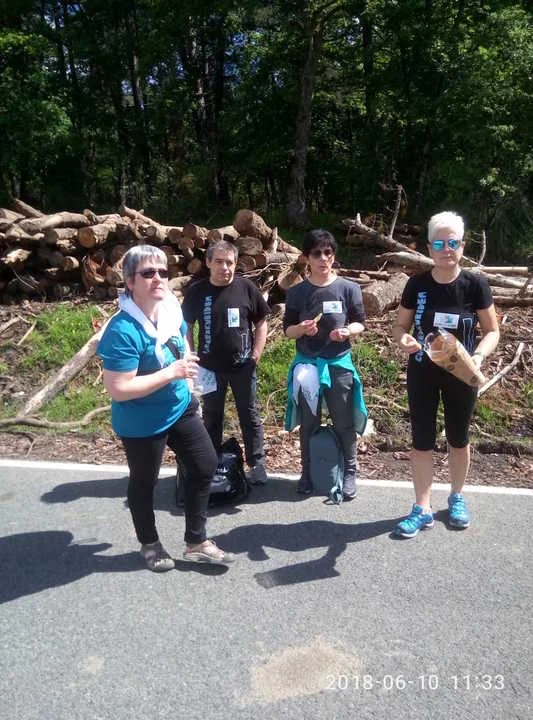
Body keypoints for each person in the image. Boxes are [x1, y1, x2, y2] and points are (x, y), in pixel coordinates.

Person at [97, 245, 234, 570]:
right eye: (148, 273)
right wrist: (171, 373)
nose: (158, 278)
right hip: (141, 420)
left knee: (205, 464)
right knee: (145, 482)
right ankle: (150, 543)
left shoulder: (170, 307)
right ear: (130, 281)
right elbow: (119, 389)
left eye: (163, 272)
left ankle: (196, 541)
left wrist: (187, 375)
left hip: (178, 405)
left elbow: (181, 341)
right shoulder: (122, 330)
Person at [392, 211, 500, 538]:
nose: (446, 249)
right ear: (429, 248)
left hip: (461, 374)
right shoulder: (417, 285)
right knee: (422, 441)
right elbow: (399, 327)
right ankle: (422, 507)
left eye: (452, 243)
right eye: (439, 244)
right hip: (422, 372)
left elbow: (492, 331)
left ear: (463, 246)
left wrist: (478, 356)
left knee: (458, 438)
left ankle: (456, 497)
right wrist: (404, 340)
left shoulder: (475, 285)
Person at [283, 229, 367, 498]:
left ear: (334, 255)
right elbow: (288, 330)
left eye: (328, 252)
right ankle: (306, 472)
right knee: (308, 423)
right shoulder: (297, 292)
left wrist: (348, 331)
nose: (323, 258)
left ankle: (350, 472)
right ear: (306, 257)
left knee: (343, 422)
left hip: (338, 364)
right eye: (316, 253)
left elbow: (360, 322)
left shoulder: (348, 288)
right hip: (307, 366)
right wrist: (301, 329)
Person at [181, 240, 270, 485]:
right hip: (209, 368)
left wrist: (256, 355)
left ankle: (257, 464)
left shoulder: (246, 288)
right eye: (219, 262)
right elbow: (186, 326)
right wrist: (191, 355)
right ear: (208, 262)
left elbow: (261, 322)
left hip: (243, 367)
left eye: (229, 262)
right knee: (211, 416)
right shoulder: (197, 291)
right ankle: (210, 463)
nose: (225, 267)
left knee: (249, 415)